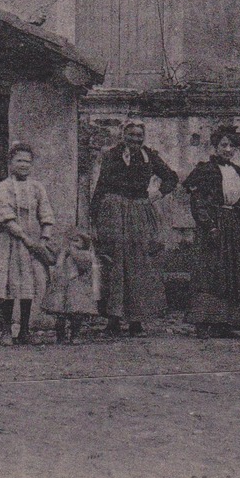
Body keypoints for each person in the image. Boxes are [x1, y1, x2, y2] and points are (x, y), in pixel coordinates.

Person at [90, 120, 179, 337]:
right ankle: (113, 320)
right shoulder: (112, 155)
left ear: (144, 137)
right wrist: (93, 218)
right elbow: (101, 185)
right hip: (114, 212)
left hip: (139, 213)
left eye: (139, 135)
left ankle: (136, 321)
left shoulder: (150, 156)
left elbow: (171, 178)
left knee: (139, 265)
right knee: (115, 263)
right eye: (131, 135)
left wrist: (156, 194)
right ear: (123, 135)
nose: (135, 139)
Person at [183, 125, 240, 337]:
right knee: (210, 271)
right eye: (223, 145)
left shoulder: (238, 171)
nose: (227, 149)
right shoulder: (205, 170)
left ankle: (226, 322)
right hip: (213, 225)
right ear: (215, 146)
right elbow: (197, 201)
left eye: (231, 146)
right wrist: (209, 225)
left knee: (231, 271)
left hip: (233, 225)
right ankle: (204, 322)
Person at [0, 143, 56, 345]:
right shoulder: (3, 187)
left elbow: (46, 214)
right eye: (19, 161)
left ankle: (24, 330)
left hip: (32, 243)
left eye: (27, 161)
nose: (24, 165)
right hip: (10, 240)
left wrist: (43, 239)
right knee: (8, 285)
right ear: (10, 163)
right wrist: (26, 239)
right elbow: (5, 217)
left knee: (27, 285)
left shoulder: (37, 187)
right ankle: (6, 330)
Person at [43, 230, 101, 344]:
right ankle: (60, 336)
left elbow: (83, 264)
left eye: (77, 240)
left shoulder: (85, 255)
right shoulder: (64, 253)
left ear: (84, 244)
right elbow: (54, 260)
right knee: (60, 315)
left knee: (77, 314)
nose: (73, 243)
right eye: (71, 240)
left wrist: (70, 251)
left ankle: (75, 335)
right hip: (61, 287)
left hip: (76, 289)